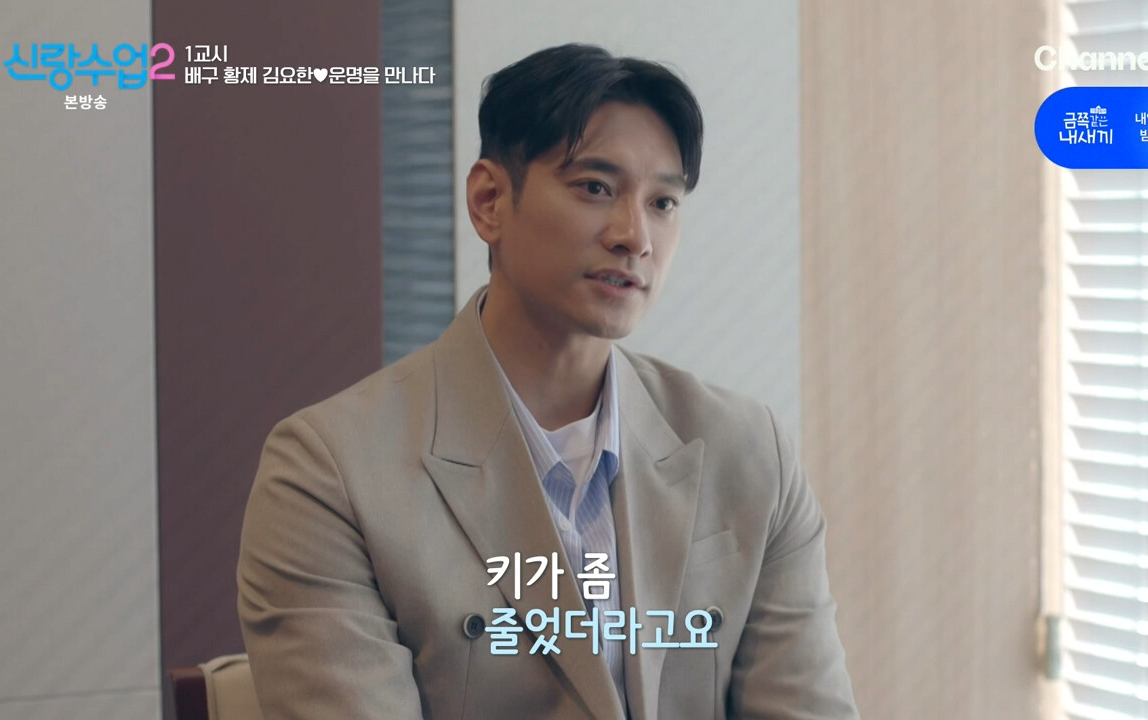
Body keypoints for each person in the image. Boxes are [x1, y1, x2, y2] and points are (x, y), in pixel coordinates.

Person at [237, 43, 858, 720]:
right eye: (595, 188)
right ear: (489, 202)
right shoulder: (330, 471)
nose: (635, 237)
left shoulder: (750, 451)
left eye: (663, 202)